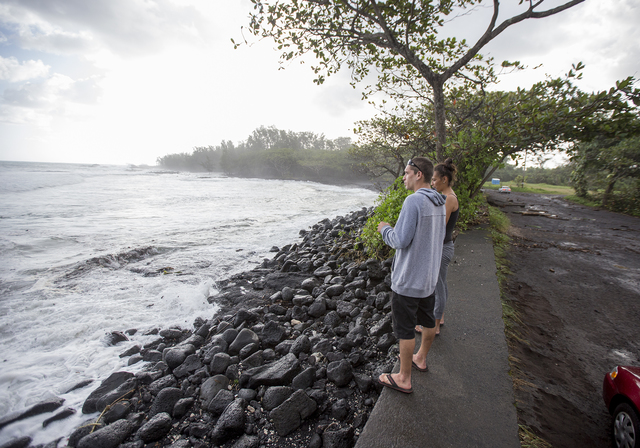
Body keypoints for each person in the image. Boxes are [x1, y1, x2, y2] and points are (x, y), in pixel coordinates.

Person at [375, 157, 446, 394]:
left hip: (408, 280)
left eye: (406, 173)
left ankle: (404, 377)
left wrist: (385, 229)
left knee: (405, 330)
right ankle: (421, 359)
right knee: (428, 321)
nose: (403, 177)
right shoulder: (440, 201)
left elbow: (400, 240)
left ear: (418, 175)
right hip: (429, 279)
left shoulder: (413, 201)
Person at [416, 158, 459, 336]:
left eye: (434, 180)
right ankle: (439, 317)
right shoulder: (446, 196)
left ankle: (434, 325)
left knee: (437, 285)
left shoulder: (448, 199)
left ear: (444, 179)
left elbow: (440, 229)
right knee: (440, 283)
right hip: (445, 246)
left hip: (442, 248)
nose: (432, 183)